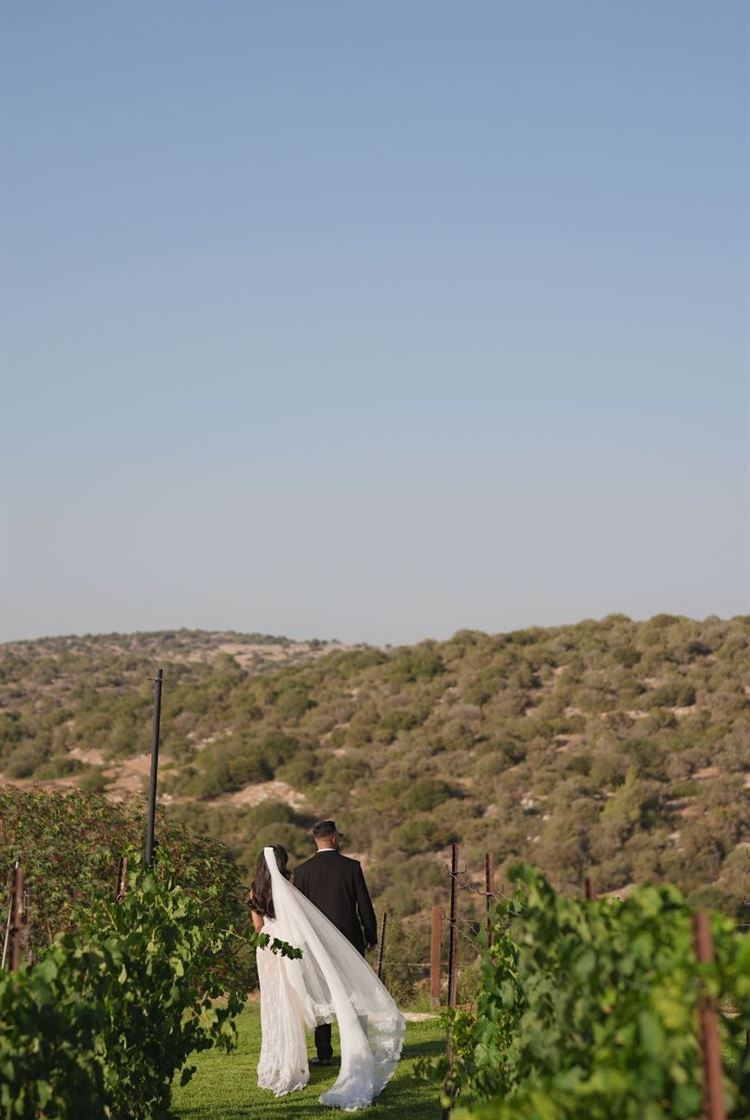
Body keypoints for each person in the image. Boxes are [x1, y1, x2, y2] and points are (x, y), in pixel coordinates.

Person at [249, 844, 404, 1109]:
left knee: (274, 1006)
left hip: (266, 950)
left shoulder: (254, 890)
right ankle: (299, 1061)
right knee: (292, 1004)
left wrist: (268, 937)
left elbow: (257, 926)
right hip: (287, 948)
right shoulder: (287, 887)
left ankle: (281, 1061)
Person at [293, 820, 378, 1066]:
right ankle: (359, 1047)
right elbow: (364, 906)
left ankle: (324, 1054)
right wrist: (371, 935)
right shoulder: (351, 867)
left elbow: (298, 913)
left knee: (322, 995)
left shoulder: (302, 872)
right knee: (355, 993)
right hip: (350, 940)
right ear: (333, 838)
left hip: (316, 944)